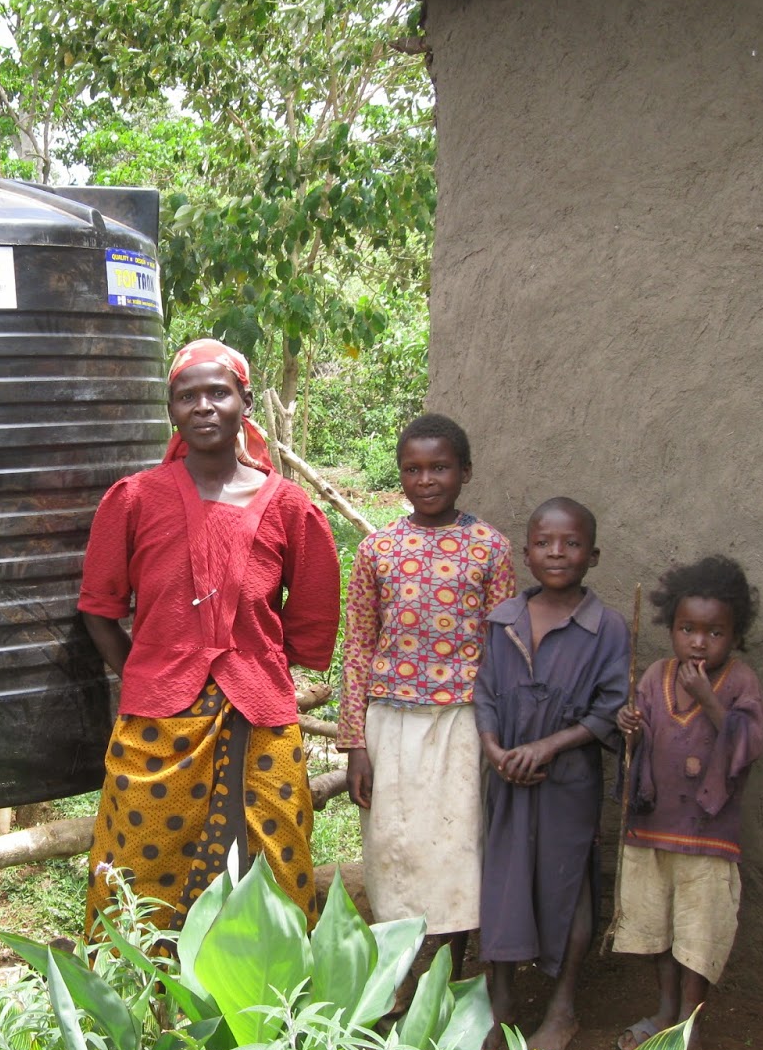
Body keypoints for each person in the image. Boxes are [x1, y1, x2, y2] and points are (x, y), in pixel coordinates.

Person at [78, 339, 340, 931]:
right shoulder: (134, 500)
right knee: (138, 867)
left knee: (276, 861)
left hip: (261, 716)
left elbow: (312, 621)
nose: (203, 406)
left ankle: (267, 1010)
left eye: (218, 392)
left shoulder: (291, 509)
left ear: (244, 402)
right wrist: (149, 673)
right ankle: (145, 1008)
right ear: (171, 410)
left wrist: (249, 671)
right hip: (156, 720)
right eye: (186, 395)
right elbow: (99, 608)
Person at [338, 414, 517, 976]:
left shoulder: (490, 548)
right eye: (413, 469)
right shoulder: (378, 550)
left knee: (457, 851)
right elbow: (359, 645)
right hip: (390, 722)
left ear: (464, 471)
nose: (427, 479)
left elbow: (504, 646)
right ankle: (398, 977)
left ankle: (453, 974)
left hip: (463, 724)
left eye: (439, 467)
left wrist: (500, 728)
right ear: (400, 476)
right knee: (394, 850)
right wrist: (354, 743)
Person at [474, 497, 629, 1050]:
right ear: (526, 552)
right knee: (503, 881)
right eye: (544, 543)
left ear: (593, 554)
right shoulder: (504, 619)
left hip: (566, 781)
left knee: (568, 884)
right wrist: (494, 748)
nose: (557, 553)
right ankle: (500, 1003)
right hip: (508, 779)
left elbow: (610, 708)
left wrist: (547, 746)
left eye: (571, 543)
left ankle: (562, 1007)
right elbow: (485, 692)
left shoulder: (606, 627)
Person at [613, 556, 763, 1050]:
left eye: (714, 632)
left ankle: (690, 1023)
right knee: (654, 926)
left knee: (699, 934)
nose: (699, 642)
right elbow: (642, 746)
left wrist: (709, 699)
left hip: (707, 837)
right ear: (671, 627)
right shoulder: (656, 674)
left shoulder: (739, 682)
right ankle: (664, 1010)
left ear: (735, 635)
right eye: (687, 629)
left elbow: (749, 743)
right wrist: (631, 728)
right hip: (653, 832)